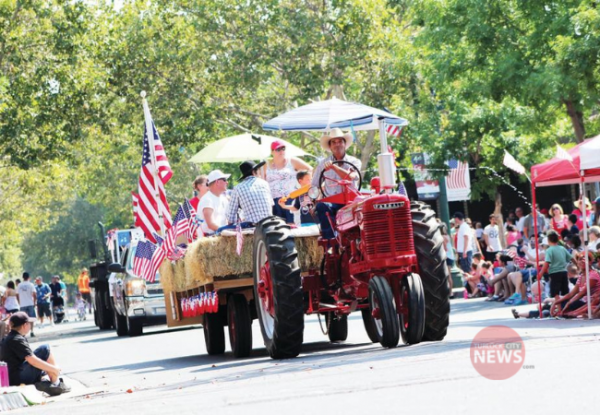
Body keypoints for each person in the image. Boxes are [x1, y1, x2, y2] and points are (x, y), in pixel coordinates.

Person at [0, 312, 70, 395]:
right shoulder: (16, 339)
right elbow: (32, 360)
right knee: (45, 348)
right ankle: (56, 383)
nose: (31, 325)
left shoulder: (11, 338)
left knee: (42, 359)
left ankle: (46, 382)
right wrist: (54, 369)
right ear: (24, 325)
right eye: (30, 323)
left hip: (12, 377)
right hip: (17, 378)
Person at [312, 129, 362, 239]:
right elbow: (314, 185)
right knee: (321, 206)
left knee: (363, 209)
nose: (337, 144)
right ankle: (331, 243)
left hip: (350, 202)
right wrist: (312, 199)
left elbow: (352, 177)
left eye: (340, 141)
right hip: (331, 202)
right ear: (330, 147)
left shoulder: (354, 162)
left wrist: (334, 167)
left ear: (345, 144)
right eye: (334, 142)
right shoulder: (323, 164)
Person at [265, 140, 312, 223]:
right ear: (272, 151)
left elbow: (310, 169)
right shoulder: (266, 164)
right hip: (273, 201)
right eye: (278, 149)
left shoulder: (292, 161)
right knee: (277, 227)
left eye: (283, 148)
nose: (281, 151)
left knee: (291, 225)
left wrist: (305, 184)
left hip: (290, 198)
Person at [225, 160, 273, 226]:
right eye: (258, 170)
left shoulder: (238, 188)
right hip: (269, 223)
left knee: (219, 230)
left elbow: (231, 218)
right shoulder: (265, 183)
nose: (259, 173)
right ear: (253, 172)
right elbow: (271, 204)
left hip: (252, 225)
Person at [539, 230, 573, 297]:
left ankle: (558, 307)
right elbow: (571, 258)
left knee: (555, 293)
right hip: (564, 272)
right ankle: (564, 306)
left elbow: (547, 263)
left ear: (548, 240)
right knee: (565, 292)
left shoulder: (549, 250)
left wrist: (540, 273)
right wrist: (577, 265)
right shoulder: (562, 248)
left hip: (555, 273)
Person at [197, 170, 231, 236]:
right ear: (217, 182)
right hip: (209, 240)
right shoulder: (207, 199)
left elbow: (228, 220)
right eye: (224, 180)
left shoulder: (223, 199)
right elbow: (211, 224)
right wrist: (228, 231)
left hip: (219, 237)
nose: (227, 182)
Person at [17, 273, 36, 338]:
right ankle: (32, 331)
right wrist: (34, 302)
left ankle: (23, 333)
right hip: (30, 303)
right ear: (29, 277)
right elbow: (34, 294)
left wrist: (19, 302)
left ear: (23, 277)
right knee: (31, 318)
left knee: (22, 319)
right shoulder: (31, 284)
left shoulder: (19, 285)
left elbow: (17, 294)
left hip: (22, 304)